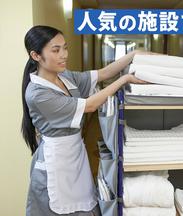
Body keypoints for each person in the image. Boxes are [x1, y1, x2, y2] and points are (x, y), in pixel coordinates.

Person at [21, 25, 150, 216]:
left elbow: (103, 73)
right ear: (36, 56)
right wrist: (124, 80)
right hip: (55, 164)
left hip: (75, 155)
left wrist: (133, 55)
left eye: (65, 48)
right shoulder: (37, 94)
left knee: (85, 206)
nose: (64, 54)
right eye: (56, 50)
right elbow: (89, 105)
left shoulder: (64, 77)